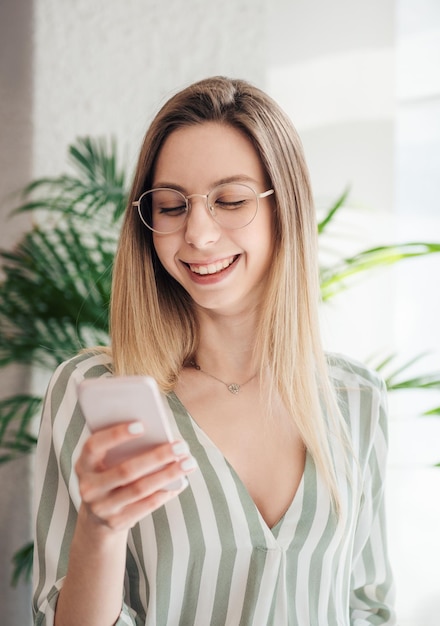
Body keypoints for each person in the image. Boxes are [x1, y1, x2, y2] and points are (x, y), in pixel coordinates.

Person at [32, 76, 396, 626]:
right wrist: (100, 533)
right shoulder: (97, 392)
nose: (197, 234)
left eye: (229, 200)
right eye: (172, 207)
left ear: (285, 210)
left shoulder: (356, 399)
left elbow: (368, 607)